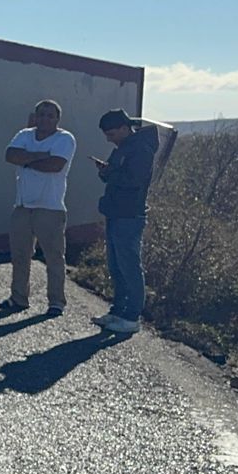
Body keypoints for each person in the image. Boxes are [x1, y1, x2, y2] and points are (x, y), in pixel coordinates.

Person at [0, 99, 75, 315]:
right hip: (22, 206)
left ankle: (56, 302)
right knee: (20, 255)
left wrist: (25, 160)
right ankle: (18, 298)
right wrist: (39, 157)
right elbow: (10, 155)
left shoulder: (65, 139)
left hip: (50, 208)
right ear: (35, 116)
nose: (45, 119)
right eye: (41, 114)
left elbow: (55, 165)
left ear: (57, 119)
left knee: (53, 257)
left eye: (50, 116)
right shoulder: (24, 135)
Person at [91, 109, 157, 333]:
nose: (109, 139)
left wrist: (110, 173)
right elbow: (115, 175)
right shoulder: (124, 148)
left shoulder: (141, 149)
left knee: (129, 267)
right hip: (117, 212)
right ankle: (118, 312)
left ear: (123, 128)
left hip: (130, 215)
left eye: (111, 134)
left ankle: (131, 317)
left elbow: (133, 181)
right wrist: (105, 172)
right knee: (116, 266)